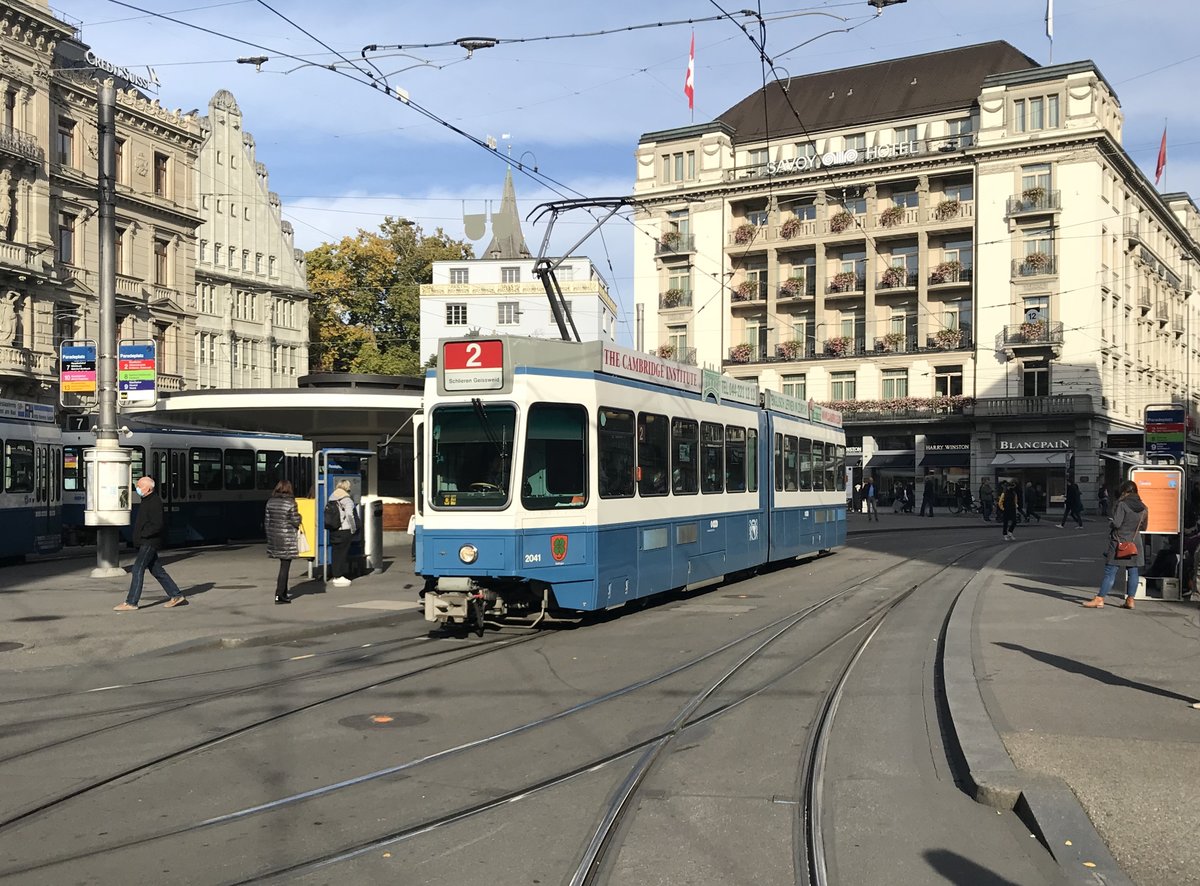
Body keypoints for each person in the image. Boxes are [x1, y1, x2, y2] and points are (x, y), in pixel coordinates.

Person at [114, 476, 187, 611]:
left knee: (137, 569)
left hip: (149, 541)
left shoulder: (154, 502)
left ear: (147, 488)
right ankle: (176, 595)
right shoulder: (147, 500)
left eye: (139, 486)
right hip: (146, 541)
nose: (137, 489)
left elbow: (157, 524)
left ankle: (132, 602)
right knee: (157, 570)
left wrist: (143, 535)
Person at [1082, 480, 1148, 609]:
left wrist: (1111, 522)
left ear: (1124, 491)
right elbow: (1144, 527)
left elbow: (1117, 524)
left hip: (1120, 541)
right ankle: (1130, 600)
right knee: (1133, 571)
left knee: (1110, 570)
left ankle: (1100, 599)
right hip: (1135, 542)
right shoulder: (1144, 507)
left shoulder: (1122, 504)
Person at [265, 479, 301, 604]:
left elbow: (267, 522)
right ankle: (279, 595)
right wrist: (300, 516)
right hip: (287, 539)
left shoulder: (270, 502)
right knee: (285, 567)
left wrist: (270, 537)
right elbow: (295, 521)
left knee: (283, 566)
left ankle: (283, 593)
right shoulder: (291, 503)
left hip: (275, 538)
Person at [328, 478, 358, 587]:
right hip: (344, 530)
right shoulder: (347, 500)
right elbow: (350, 515)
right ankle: (339, 575)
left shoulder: (331, 498)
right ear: (347, 487)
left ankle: (335, 574)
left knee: (335, 553)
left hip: (333, 529)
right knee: (342, 553)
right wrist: (353, 528)